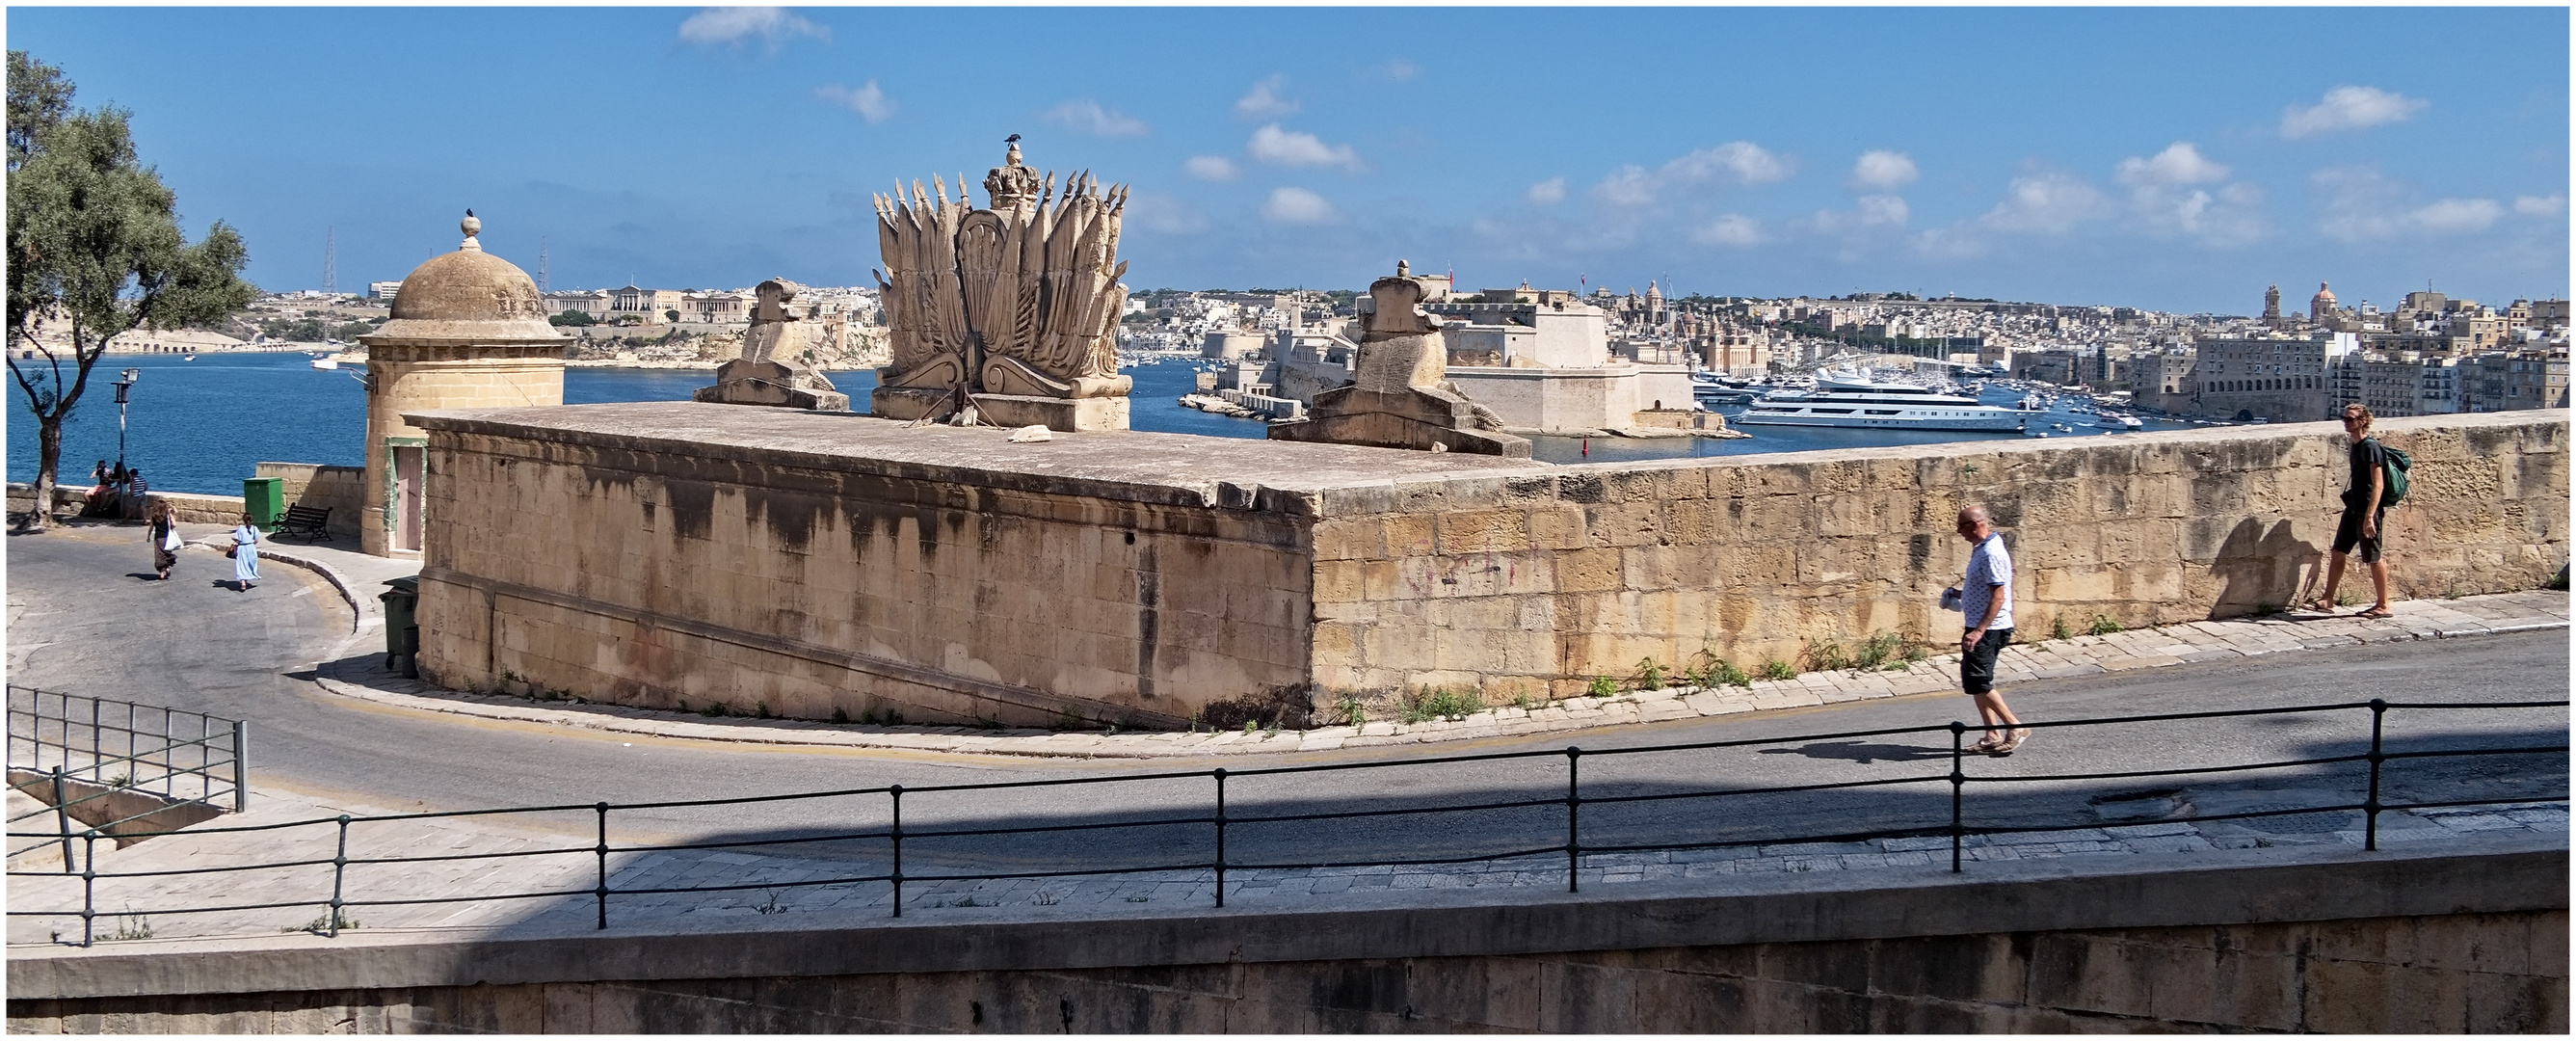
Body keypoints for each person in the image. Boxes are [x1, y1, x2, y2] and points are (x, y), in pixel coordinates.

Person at [1946, 504, 2028, 755]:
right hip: (1978, 625)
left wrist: (1979, 631)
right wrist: (1959, 594)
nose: (1958, 532)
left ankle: (2015, 726)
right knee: (1974, 681)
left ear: (1974, 525)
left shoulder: (1991, 553)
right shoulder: (1981, 549)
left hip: (1989, 629)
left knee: (1979, 680)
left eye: (1961, 526)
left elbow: (1998, 597)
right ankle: (1992, 735)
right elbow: (1984, 589)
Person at [2308, 403, 2393, 619]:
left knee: (2373, 557)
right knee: (2338, 551)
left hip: (2366, 510)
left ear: (2362, 421)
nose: (2346, 423)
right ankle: (2328, 599)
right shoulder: (2355, 445)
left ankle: (2383, 604)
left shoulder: (2370, 447)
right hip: (2353, 507)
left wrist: (2370, 516)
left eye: (2351, 419)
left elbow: (2378, 484)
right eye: (2344, 418)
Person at [146, 500, 180, 580]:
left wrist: (148, 536)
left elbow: (150, 528)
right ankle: (168, 565)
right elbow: (174, 524)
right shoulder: (168, 515)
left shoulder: (154, 516)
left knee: (159, 555)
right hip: (168, 537)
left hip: (158, 537)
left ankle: (162, 571)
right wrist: (172, 506)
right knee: (166, 553)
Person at [229, 513, 261, 592]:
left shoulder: (240, 528)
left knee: (241, 564)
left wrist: (233, 539)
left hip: (242, 548)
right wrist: (251, 543)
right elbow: (256, 540)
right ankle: (247, 578)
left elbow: (237, 539)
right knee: (250, 564)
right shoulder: (254, 528)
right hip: (251, 548)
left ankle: (243, 582)